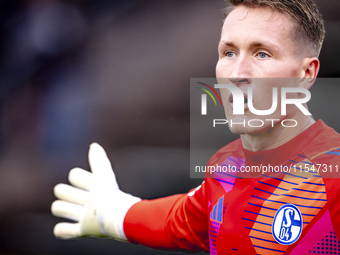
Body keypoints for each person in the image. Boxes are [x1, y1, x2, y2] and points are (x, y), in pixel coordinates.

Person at [51, 0, 340, 254]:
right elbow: (181, 219)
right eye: (228, 53)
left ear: (306, 74)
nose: (237, 74)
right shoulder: (227, 168)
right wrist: (115, 214)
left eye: (261, 54)